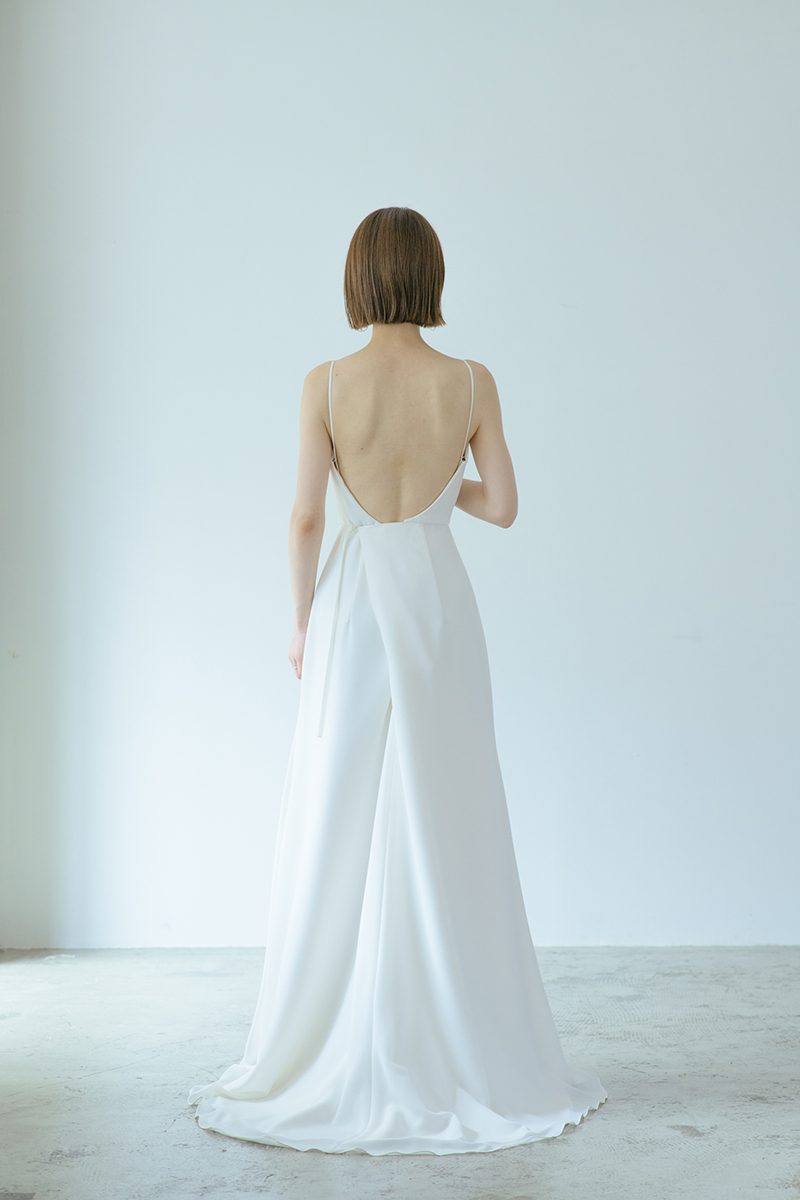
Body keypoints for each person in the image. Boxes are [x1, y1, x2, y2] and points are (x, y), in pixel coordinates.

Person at [188, 207, 607, 1154]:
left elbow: (305, 516)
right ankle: (459, 1034)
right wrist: (437, 494)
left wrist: (302, 620)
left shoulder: (327, 383)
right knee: (447, 801)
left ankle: (331, 1033)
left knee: (340, 804)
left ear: (357, 277)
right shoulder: (471, 381)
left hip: (352, 603)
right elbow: (503, 506)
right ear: (431, 275)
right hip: (439, 601)